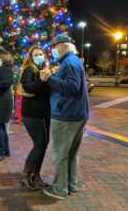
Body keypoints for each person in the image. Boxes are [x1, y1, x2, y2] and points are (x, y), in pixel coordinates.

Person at [40, 34, 89, 199]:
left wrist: (49, 79)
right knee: (71, 154)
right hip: (77, 114)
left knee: (60, 154)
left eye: (54, 47)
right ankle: (70, 186)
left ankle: (60, 189)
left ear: (63, 46)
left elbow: (72, 87)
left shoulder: (69, 62)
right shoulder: (74, 61)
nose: (53, 51)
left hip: (66, 115)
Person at [20, 45, 51, 190]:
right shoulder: (29, 69)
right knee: (39, 144)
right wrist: (42, 80)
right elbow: (29, 88)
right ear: (31, 57)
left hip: (44, 112)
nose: (39, 56)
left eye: (41, 53)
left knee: (43, 144)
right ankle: (26, 175)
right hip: (32, 113)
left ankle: (35, 175)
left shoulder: (43, 70)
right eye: (36, 54)